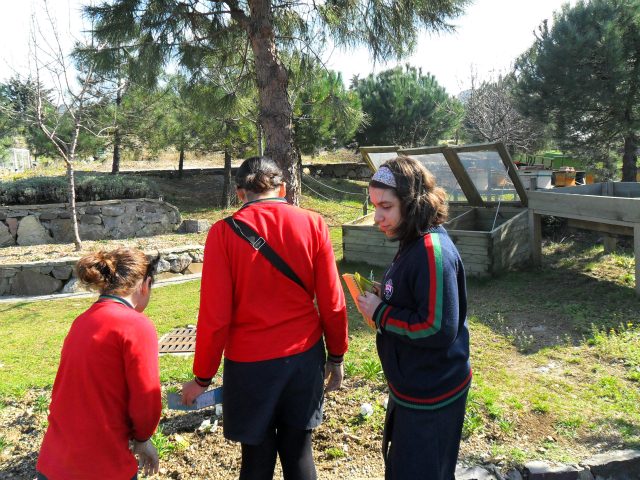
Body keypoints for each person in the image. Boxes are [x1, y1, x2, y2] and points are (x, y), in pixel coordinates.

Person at [182, 156, 348, 480]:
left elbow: (215, 317)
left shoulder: (222, 234)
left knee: (255, 460)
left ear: (239, 193)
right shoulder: (314, 223)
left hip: (249, 364)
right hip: (304, 356)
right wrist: (337, 356)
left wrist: (202, 377)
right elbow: (332, 301)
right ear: (283, 187)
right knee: (300, 453)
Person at [357, 157, 471, 480]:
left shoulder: (432, 250)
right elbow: (417, 298)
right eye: (374, 204)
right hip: (412, 388)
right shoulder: (411, 239)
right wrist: (386, 296)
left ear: (413, 203)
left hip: (432, 396)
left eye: (386, 206)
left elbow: (437, 327)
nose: (377, 216)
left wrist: (380, 312)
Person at [36, 248, 162, 480]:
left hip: (54, 462)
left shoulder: (81, 321)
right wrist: (143, 440)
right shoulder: (136, 325)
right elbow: (147, 400)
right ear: (146, 285)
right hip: (102, 466)